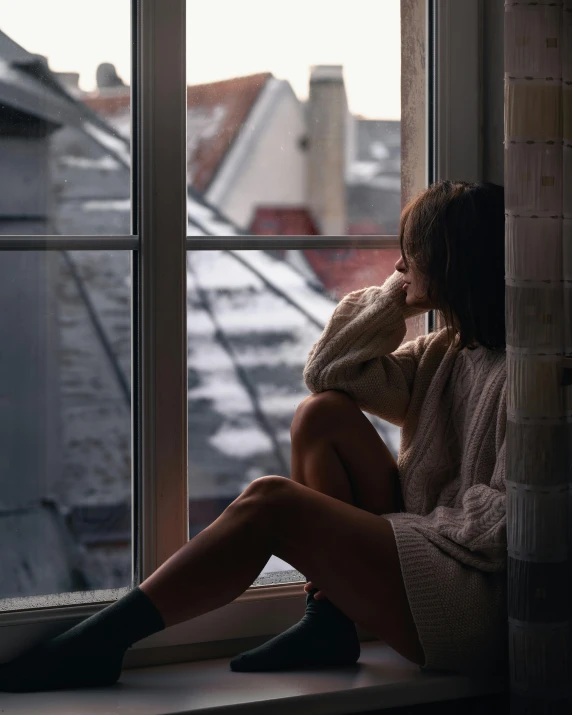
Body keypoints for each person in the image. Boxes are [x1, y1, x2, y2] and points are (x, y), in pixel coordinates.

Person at [0, 180, 508, 692]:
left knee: (272, 503)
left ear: (450, 263)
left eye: (411, 255)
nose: (398, 268)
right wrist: (391, 303)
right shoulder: (445, 352)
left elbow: (504, 525)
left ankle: (100, 642)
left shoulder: (528, 378)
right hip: (422, 550)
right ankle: (329, 623)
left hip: (465, 597)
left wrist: (396, 532)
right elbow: (331, 370)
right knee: (320, 414)